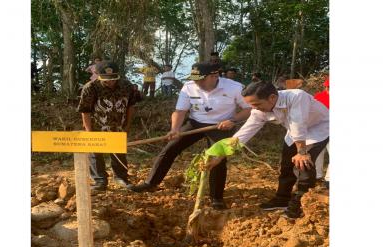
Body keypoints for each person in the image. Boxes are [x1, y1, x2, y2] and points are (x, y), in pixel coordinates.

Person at [130, 62, 252, 210]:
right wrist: (175, 129)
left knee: (217, 158)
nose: (196, 82)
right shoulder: (189, 87)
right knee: (170, 148)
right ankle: (150, 183)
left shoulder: (234, 87)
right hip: (195, 123)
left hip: (220, 126)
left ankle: (216, 198)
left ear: (214, 76)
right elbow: (180, 112)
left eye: (200, 79)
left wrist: (232, 120)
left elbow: (248, 109)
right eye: (194, 79)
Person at [207, 81, 329, 218]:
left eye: (257, 104)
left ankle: (299, 203)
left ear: (272, 97)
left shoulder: (296, 96)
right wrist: (220, 156)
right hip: (294, 132)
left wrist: (301, 152)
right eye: (251, 105)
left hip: (319, 129)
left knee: (304, 165)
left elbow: (298, 123)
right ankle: (282, 198)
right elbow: (243, 134)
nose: (254, 108)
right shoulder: (259, 110)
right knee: (286, 165)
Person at [77, 61, 138, 191]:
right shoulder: (90, 87)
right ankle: (100, 181)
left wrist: (127, 125)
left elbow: (131, 106)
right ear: (98, 75)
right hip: (97, 127)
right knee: (95, 154)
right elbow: (85, 110)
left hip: (118, 127)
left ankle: (121, 178)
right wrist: (89, 132)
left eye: (113, 79)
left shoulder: (127, 86)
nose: (110, 82)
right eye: (106, 80)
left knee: (119, 152)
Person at [314, 76, 330, 188]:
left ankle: (329, 179)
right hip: (318, 129)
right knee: (317, 153)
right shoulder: (318, 97)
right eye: (327, 87)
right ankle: (316, 176)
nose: (328, 89)